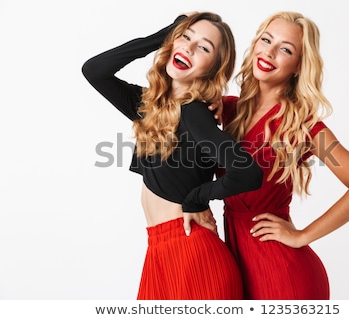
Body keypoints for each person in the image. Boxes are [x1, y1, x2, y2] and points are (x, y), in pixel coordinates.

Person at [81, 12, 263, 300]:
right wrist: (164, 34)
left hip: (192, 253)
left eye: (204, 47)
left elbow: (248, 173)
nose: (189, 48)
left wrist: (197, 198)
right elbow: (94, 70)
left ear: (213, 68)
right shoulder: (150, 107)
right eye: (186, 37)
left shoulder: (194, 114)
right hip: (159, 250)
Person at [215, 11, 349, 299]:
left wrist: (301, 236)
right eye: (266, 40)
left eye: (285, 49)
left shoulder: (301, 125)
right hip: (236, 264)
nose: (269, 52)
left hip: (284, 274)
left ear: (298, 66)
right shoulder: (228, 110)